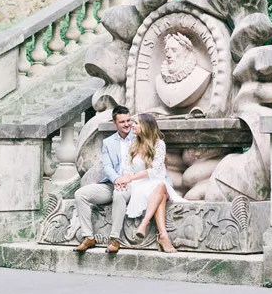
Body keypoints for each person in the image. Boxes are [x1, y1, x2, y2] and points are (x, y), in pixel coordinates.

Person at [72, 105, 134, 254]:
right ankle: (88, 237)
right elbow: (107, 167)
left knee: (119, 195)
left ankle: (114, 239)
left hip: (133, 183)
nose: (127, 124)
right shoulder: (108, 142)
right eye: (122, 122)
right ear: (115, 124)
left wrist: (125, 180)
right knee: (80, 194)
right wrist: (116, 179)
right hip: (112, 183)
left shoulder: (138, 137)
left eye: (128, 120)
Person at [121, 113, 186, 253]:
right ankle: (163, 237)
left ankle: (144, 225)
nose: (132, 125)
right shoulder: (131, 145)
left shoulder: (159, 144)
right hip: (138, 185)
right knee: (161, 194)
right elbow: (126, 168)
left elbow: (155, 170)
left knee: (160, 186)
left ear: (145, 126)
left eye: (136, 123)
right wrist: (126, 179)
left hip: (154, 181)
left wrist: (131, 178)